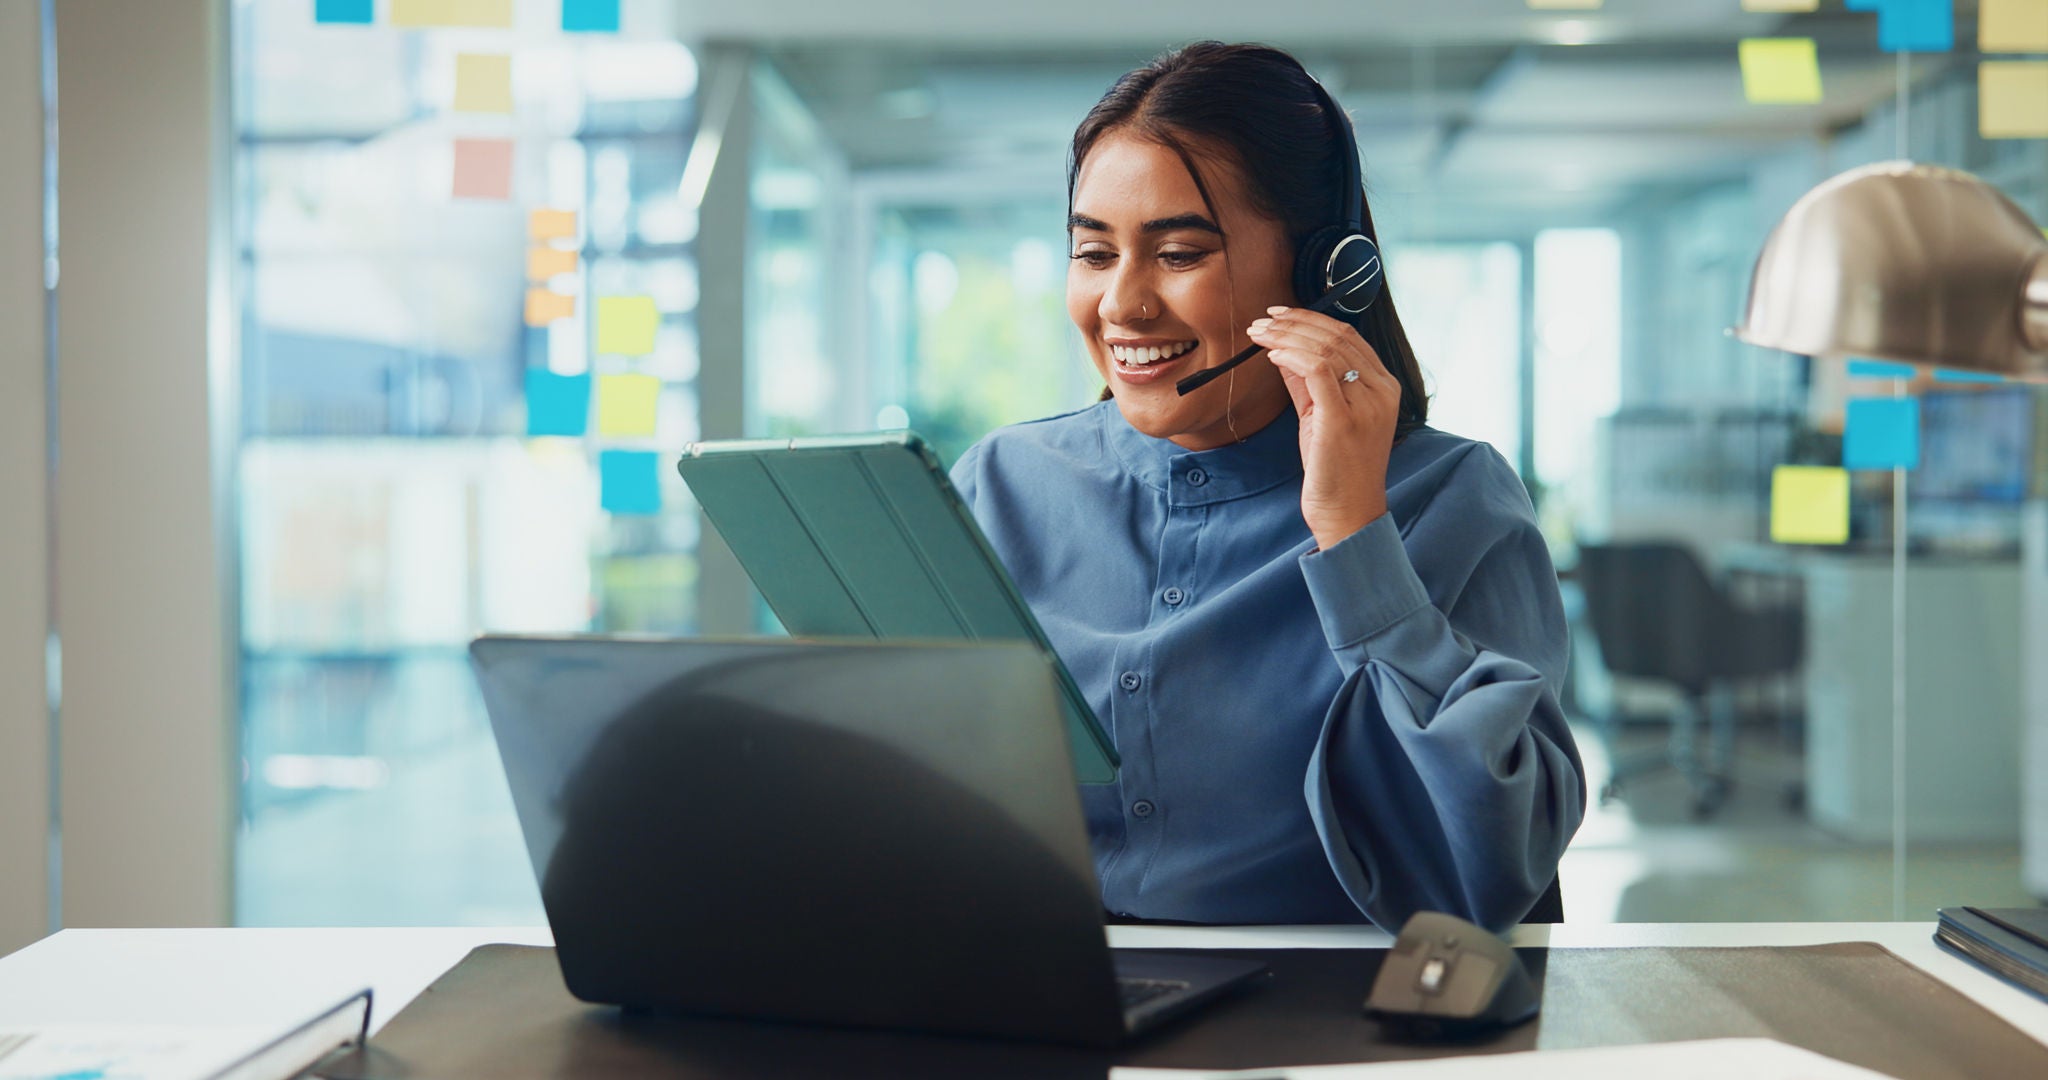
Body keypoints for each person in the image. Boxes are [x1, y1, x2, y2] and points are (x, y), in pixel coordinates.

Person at [949, 42, 1585, 931]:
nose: (1123, 305)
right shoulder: (1001, 485)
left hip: (1329, 1021)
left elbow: (1498, 862)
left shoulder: (1453, 497)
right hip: (1041, 1005)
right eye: (1094, 253)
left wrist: (1356, 536)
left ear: (1325, 269)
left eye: (1177, 253)